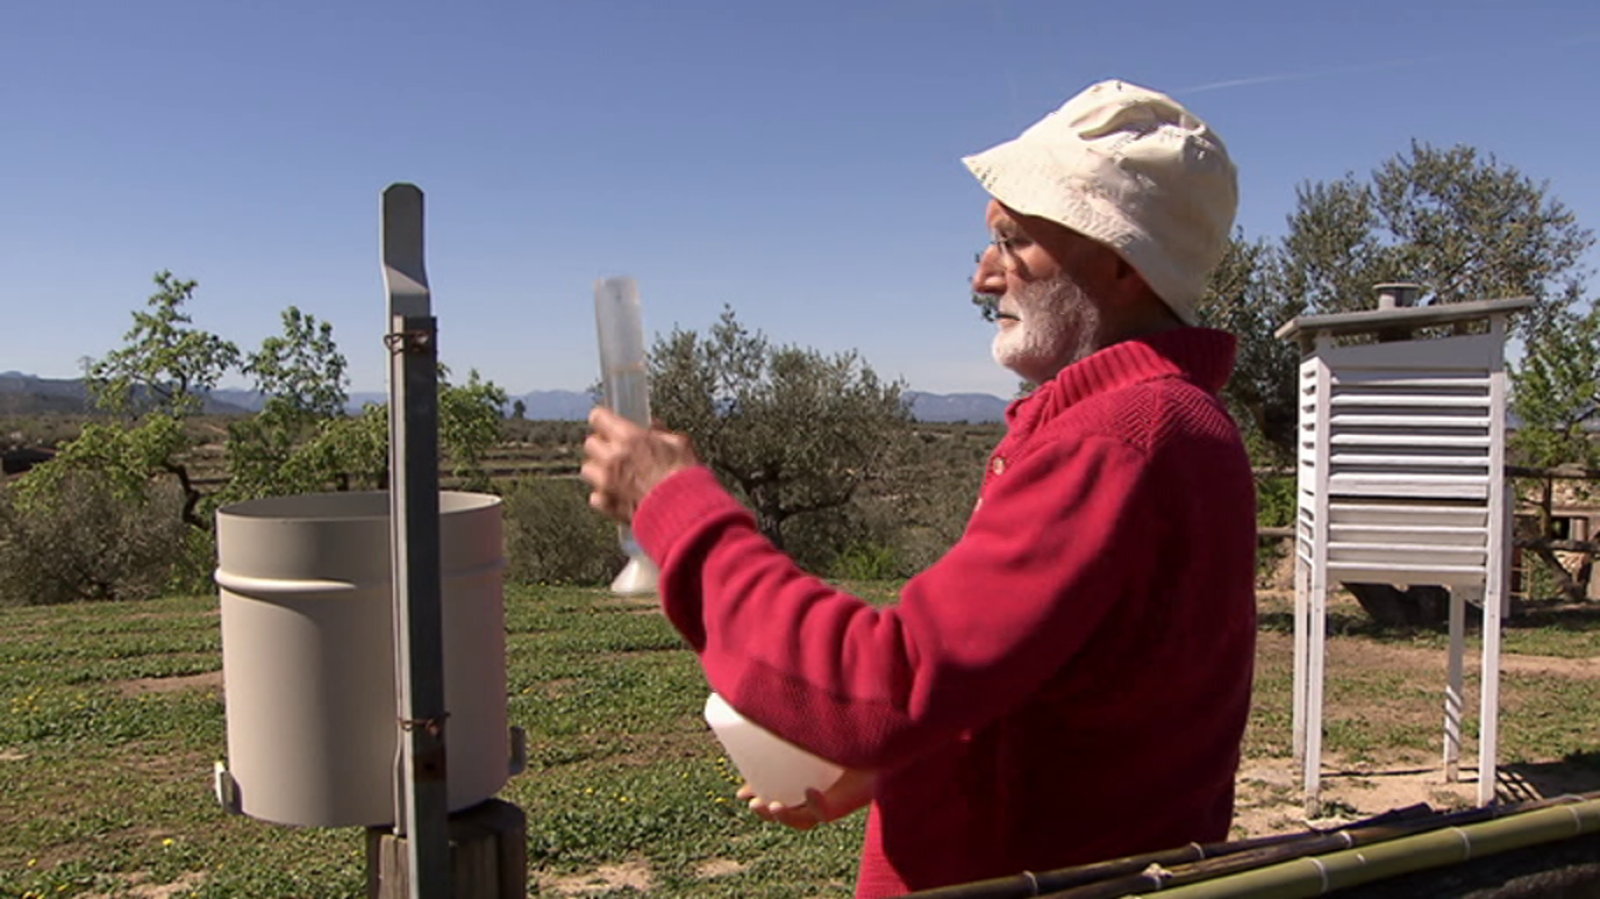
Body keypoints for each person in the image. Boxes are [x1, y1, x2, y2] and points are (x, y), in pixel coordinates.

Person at [581, 79, 1257, 898]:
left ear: (1120, 263)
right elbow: (1052, 688)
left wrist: (673, 504)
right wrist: (890, 764)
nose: (983, 278)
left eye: (1014, 243)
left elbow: (890, 685)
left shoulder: (1120, 438)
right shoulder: (1162, 424)